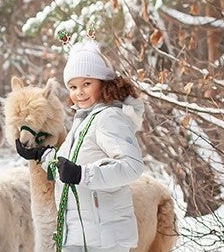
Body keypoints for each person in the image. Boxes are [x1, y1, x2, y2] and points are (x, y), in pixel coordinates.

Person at [16, 40, 145, 252]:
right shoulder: (83, 120)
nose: (79, 93)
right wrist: (39, 154)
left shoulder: (109, 118)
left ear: (103, 83)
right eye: (73, 87)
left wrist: (83, 175)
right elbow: (67, 166)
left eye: (87, 84)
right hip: (78, 235)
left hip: (104, 240)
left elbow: (132, 167)